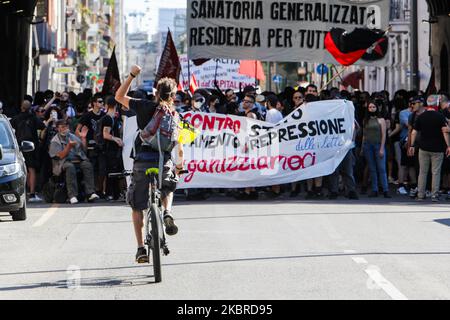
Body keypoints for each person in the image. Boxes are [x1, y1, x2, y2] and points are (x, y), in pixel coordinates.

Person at [115, 65, 185, 263]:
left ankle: (140, 249)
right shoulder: (174, 115)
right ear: (173, 96)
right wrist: (179, 167)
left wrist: (132, 75)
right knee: (169, 186)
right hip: (163, 161)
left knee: (137, 207)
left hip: (142, 162)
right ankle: (167, 212)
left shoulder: (144, 106)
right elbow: (179, 147)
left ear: (156, 92)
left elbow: (119, 96)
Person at [48, 120, 99, 204]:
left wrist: (83, 138)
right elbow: (60, 156)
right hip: (63, 162)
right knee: (70, 167)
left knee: (87, 165)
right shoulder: (55, 141)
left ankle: (90, 192)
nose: (64, 129)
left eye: (66, 127)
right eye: (62, 127)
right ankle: (72, 195)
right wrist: (69, 146)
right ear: (58, 129)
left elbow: (84, 150)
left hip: (78, 160)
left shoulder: (72, 136)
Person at [408, 102, 450, 201]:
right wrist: (448, 145)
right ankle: (434, 195)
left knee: (422, 172)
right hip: (438, 149)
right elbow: (445, 131)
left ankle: (420, 194)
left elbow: (414, 132)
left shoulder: (421, 116)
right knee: (436, 172)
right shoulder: (440, 116)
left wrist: (412, 145)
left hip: (423, 148)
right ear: (436, 106)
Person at [10, 100, 46, 202]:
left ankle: (20, 193)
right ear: (30, 108)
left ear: (21, 107)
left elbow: (10, 130)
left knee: (19, 169)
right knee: (31, 170)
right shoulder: (33, 118)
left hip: (18, 147)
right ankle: (32, 194)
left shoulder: (15, 119)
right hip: (31, 146)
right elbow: (43, 127)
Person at [362, 100, 391, 198]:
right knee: (372, 168)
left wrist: (382, 148)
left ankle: (385, 189)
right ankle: (375, 189)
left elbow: (384, 135)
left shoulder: (381, 120)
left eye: (373, 107)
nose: (371, 109)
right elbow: (364, 135)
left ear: (377, 108)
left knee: (381, 168)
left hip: (378, 145)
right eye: (370, 107)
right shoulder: (365, 120)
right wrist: (362, 147)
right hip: (367, 145)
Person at [98, 96, 124, 200]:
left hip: (113, 149)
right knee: (111, 172)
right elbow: (105, 134)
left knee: (114, 171)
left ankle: (114, 194)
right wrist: (116, 139)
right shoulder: (108, 118)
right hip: (109, 150)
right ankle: (111, 194)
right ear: (116, 105)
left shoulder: (114, 118)